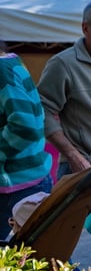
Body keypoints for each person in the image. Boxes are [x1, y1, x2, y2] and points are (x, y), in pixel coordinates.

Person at [37, 0, 91, 233]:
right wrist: (73, 155)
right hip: (81, 167)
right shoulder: (63, 64)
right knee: (59, 233)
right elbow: (42, 110)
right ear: (85, 28)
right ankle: (55, 270)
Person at [0, 42, 53, 240]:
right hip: (24, 183)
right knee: (48, 257)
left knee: (46, 260)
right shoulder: (11, 63)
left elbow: (25, 127)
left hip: (17, 187)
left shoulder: (2, 69)